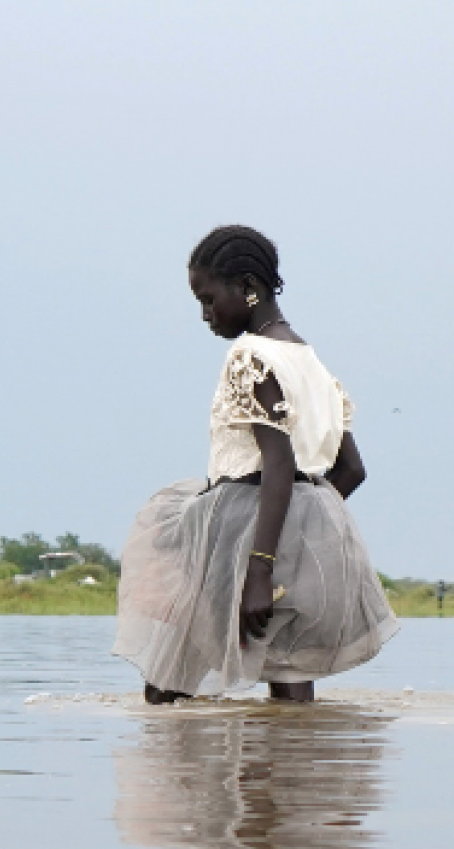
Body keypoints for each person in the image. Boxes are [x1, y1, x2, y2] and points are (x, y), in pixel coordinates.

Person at [114, 226, 399, 704]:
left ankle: (178, 774)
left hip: (244, 531)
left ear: (248, 286)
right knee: (287, 676)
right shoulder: (312, 364)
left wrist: (259, 567)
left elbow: (278, 461)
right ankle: (293, 776)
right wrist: (301, 539)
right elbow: (351, 469)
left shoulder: (249, 356)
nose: (205, 315)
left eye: (209, 299)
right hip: (298, 532)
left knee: (167, 685)